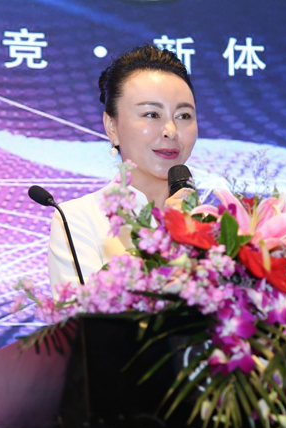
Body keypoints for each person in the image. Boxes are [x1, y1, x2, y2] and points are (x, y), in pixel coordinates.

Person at [48, 44, 198, 287]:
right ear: (112, 127)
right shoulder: (78, 220)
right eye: (151, 114)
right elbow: (87, 311)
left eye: (183, 116)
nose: (171, 130)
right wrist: (173, 236)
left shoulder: (217, 221)